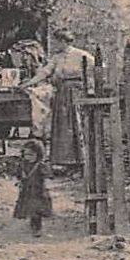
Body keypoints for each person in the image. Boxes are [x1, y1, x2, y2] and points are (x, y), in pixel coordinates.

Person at [21, 29, 94, 168]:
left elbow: (98, 67)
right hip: (61, 93)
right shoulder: (56, 58)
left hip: (76, 93)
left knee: (76, 124)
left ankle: (81, 161)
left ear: (63, 41)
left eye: (56, 41)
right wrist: (29, 83)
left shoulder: (81, 54)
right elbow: (45, 72)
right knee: (61, 126)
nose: (54, 44)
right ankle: (63, 161)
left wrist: (89, 83)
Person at [13, 138, 52, 236]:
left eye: (31, 155)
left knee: (37, 210)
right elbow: (18, 175)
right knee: (29, 209)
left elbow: (46, 177)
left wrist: (46, 187)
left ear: (38, 155)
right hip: (26, 190)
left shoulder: (40, 165)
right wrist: (19, 181)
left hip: (38, 191)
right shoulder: (22, 165)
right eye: (26, 154)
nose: (28, 157)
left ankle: (37, 228)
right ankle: (33, 226)